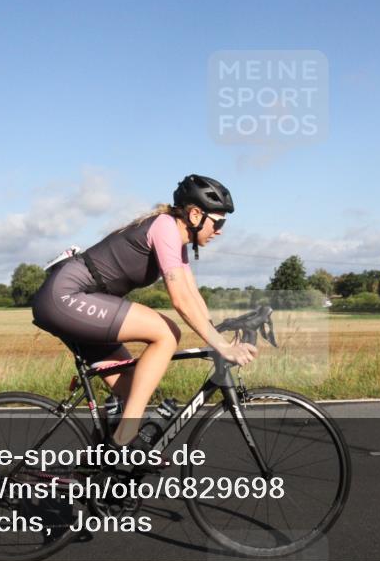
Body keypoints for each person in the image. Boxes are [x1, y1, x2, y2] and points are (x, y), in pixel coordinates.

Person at [32, 174, 258, 449]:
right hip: (67, 296)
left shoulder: (177, 242)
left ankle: (95, 469)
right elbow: (180, 302)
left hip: (81, 301)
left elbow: (191, 294)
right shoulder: (164, 228)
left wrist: (216, 331)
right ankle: (125, 438)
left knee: (133, 390)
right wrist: (221, 346)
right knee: (166, 332)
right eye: (218, 221)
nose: (220, 229)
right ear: (196, 214)